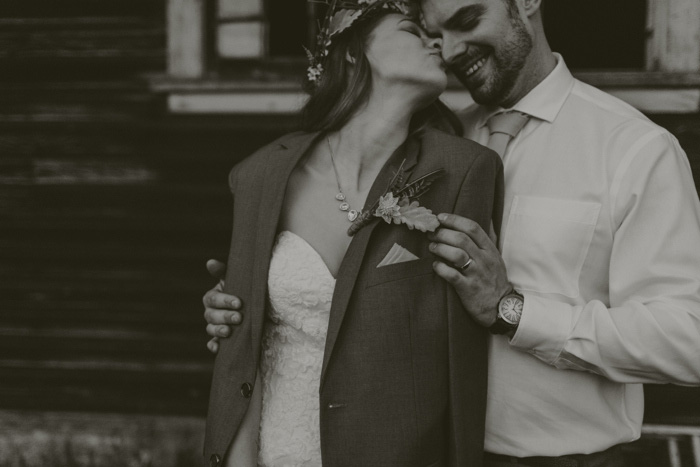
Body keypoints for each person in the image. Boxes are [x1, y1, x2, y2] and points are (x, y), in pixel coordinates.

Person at [204, 0, 700, 466]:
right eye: (434, 32)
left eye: (467, 21)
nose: (451, 48)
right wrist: (257, 297)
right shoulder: (425, 145)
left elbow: (688, 338)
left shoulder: (633, 149)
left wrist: (513, 310)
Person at [202, 2, 504, 466]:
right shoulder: (260, 175)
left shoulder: (464, 172)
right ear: (350, 53)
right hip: (279, 449)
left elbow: (461, 364)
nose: (437, 43)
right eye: (412, 31)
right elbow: (244, 355)